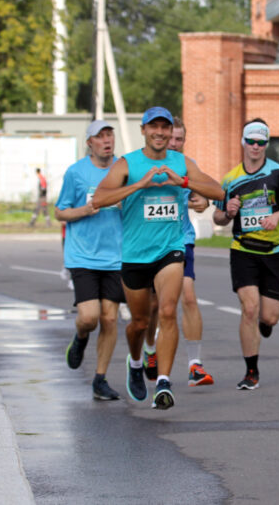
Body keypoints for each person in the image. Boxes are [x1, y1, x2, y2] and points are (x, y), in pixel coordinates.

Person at [92, 106, 223, 409]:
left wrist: (185, 182)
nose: (161, 133)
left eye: (165, 128)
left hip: (171, 248)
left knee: (166, 311)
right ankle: (136, 362)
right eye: (155, 127)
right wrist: (139, 184)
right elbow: (99, 198)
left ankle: (163, 382)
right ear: (144, 130)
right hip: (136, 255)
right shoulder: (128, 164)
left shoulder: (182, 162)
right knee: (139, 322)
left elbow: (216, 190)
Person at [213, 118, 279, 390]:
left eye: (261, 142)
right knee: (249, 308)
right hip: (243, 250)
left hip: (275, 252)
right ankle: (251, 371)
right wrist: (228, 211)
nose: (255, 146)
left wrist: (277, 216)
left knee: (269, 317)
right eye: (251, 141)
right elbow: (218, 217)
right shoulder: (230, 179)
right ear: (243, 141)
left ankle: (267, 323)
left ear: (267, 144)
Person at [142, 116, 215, 387]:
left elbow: (203, 192)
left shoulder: (186, 167)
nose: (175, 143)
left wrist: (201, 200)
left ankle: (195, 364)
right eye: (172, 138)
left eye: (180, 139)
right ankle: (150, 348)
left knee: (188, 298)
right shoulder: (144, 165)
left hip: (180, 241)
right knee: (152, 306)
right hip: (149, 244)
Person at [55, 120, 124, 401]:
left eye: (110, 135)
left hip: (116, 257)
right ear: (90, 143)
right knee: (89, 318)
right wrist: (85, 209)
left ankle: (100, 379)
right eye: (100, 136)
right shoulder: (76, 173)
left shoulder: (124, 169)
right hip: (82, 255)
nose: (107, 140)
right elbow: (61, 212)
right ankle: (80, 338)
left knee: (110, 318)